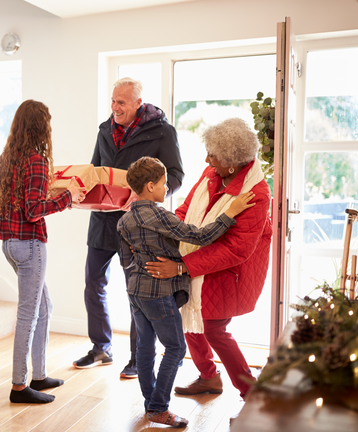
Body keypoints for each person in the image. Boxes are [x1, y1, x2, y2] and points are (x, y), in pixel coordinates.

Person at [118, 156, 255, 426]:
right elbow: (200, 236)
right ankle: (158, 408)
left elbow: (126, 260)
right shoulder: (161, 216)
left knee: (145, 347)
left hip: (135, 291)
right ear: (149, 186)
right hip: (158, 293)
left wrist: (144, 261)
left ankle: (150, 403)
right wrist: (230, 212)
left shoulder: (124, 220)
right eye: (163, 184)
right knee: (176, 348)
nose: (166, 188)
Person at [145, 117, 272, 400]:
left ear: (231, 162)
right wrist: (166, 231)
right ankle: (208, 377)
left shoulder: (257, 194)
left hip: (231, 272)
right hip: (198, 262)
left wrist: (182, 266)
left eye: (212, 155)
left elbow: (236, 249)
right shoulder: (210, 174)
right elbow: (186, 209)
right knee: (187, 315)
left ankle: (251, 392)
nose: (206, 159)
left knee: (214, 328)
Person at [73, 77, 184, 379]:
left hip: (138, 224)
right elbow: (94, 170)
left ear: (138, 103)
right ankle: (100, 347)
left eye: (121, 102)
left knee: (137, 292)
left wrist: (146, 192)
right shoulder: (104, 130)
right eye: (112, 101)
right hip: (102, 222)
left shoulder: (163, 131)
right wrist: (81, 189)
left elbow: (175, 174)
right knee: (93, 284)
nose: (114, 107)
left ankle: (138, 357)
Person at [0, 100, 86, 404]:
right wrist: (67, 196)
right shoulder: (36, 161)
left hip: (8, 245)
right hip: (29, 245)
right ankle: (18, 387)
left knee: (45, 306)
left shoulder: (6, 159)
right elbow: (33, 210)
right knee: (29, 313)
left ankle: (38, 375)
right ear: (42, 126)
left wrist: (20, 198)